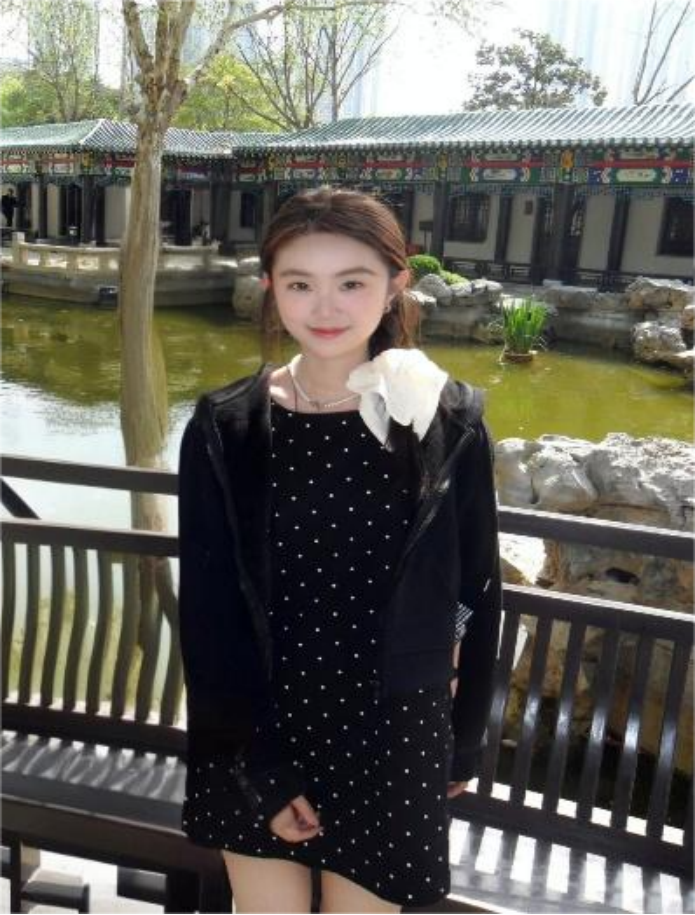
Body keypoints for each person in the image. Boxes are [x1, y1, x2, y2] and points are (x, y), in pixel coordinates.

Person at [177, 186, 503, 914]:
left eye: (351, 283)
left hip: (391, 730)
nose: (325, 307)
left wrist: (464, 738)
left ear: (395, 284)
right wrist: (261, 764)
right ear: (270, 287)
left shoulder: (445, 420)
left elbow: (476, 589)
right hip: (257, 721)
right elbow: (208, 614)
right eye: (300, 284)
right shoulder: (225, 427)